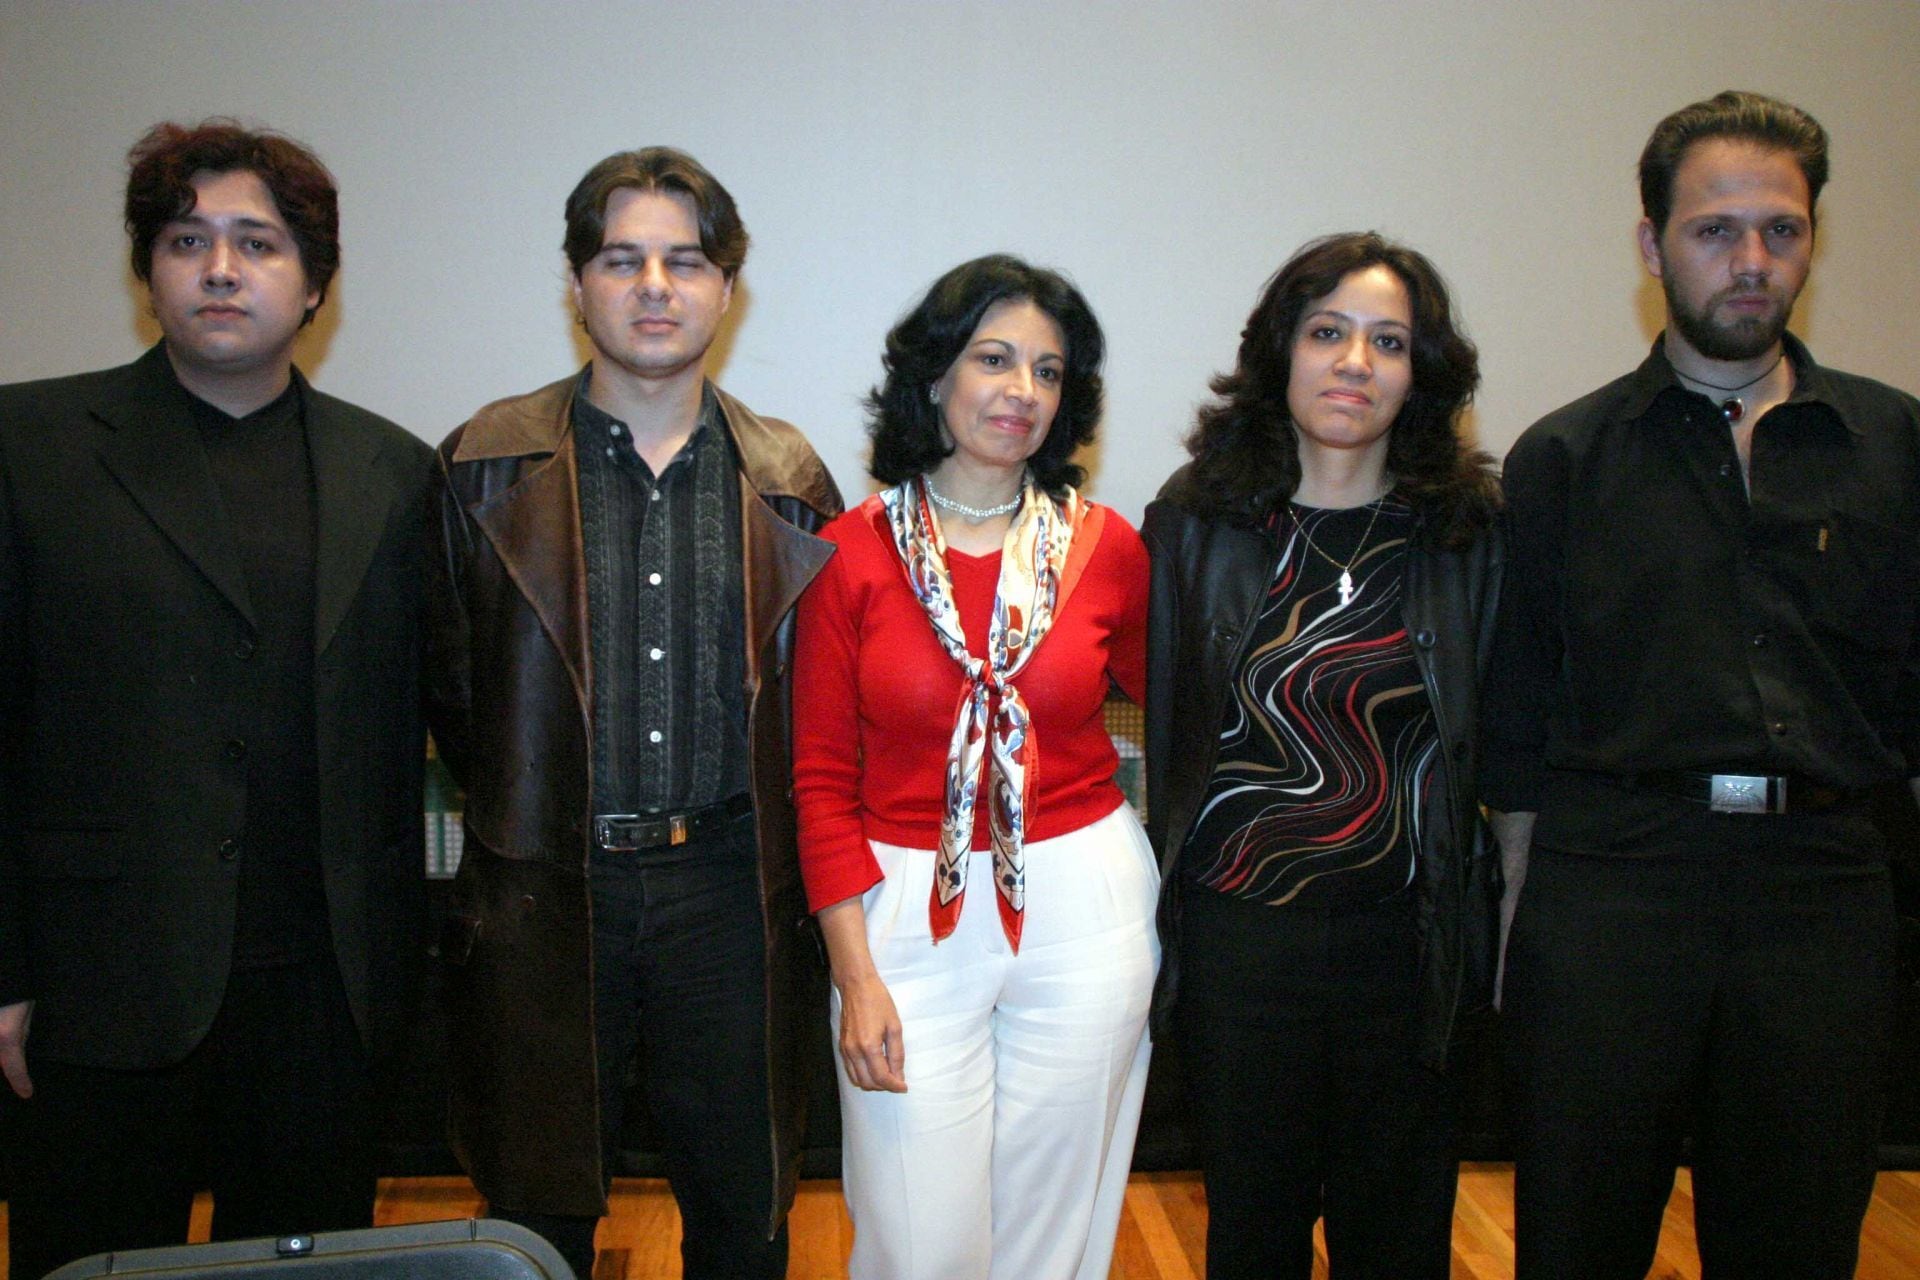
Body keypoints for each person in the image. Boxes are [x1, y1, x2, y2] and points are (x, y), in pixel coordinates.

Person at [1484, 90, 1920, 1280]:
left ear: (1813, 239)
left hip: (1825, 892)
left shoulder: (1894, 446)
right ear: (1653, 243)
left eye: (1781, 229)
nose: (1752, 260)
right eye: (1716, 230)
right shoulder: (1565, 457)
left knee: (1798, 1239)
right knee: (1579, 1234)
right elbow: (1519, 706)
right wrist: (1522, 909)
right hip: (1614, 887)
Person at [0, 120, 431, 1279]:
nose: (223, 268)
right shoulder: (29, 447)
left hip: (323, 1000)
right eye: (188, 240)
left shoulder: (394, 471)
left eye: (260, 242)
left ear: (316, 283)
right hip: (98, 986)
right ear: (148, 270)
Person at [424, 146, 841, 1280]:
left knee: (744, 1216)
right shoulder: (482, 463)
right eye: (621, 259)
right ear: (576, 283)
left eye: (685, 261)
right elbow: (455, 692)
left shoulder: (789, 476)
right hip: (550, 893)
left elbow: (813, 702)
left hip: (731, 897)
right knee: (538, 1220)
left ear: (726, 288)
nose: (655, 286)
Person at [1143, 232, 1503, 1278]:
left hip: (1408, 946)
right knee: (1252, 1233)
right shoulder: (1196, 519)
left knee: (1399, 1240)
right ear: (1281, 351)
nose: (1355, 362)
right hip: (1239, 945)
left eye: (1388, 341)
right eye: (1327, 332)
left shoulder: (1467, 533)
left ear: (1421, 372)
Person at [794, 254, 1155, 1280]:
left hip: (1083, 897)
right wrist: (853, 974)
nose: (1022, 390)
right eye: (994, 359)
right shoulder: (850, 554)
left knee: (1054, 1227)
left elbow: (1190, 711)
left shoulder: (1105, 548)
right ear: (935, 375)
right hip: (903, 908)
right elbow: (818, 778)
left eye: (1048, 370)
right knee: (918, 1236)